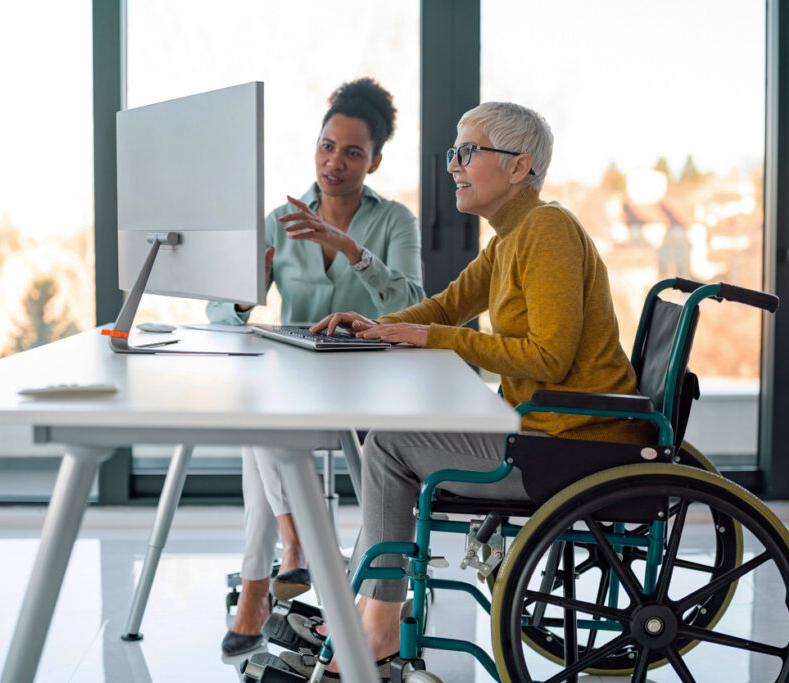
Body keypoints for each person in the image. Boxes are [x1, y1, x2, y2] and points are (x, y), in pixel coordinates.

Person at [296, 101, 655, 676]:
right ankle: (365, 608)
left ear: (519, 167)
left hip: (574, 442)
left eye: (468, 152)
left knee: (388, 445)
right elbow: (447, 307)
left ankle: (379, 626)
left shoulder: (548, 231)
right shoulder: (510, 238)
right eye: (452, 153)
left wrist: (433, 337)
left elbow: (549, 358)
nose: (454, 165)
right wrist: (379, 328)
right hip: (540, 429)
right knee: (388, 436)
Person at [208, 78, 425, 657]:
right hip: (292, 378)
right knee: (264, 413)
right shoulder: (279, 218)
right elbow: (219, 312)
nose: (335, 161)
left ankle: (266, 580)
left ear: (374, 160)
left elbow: (411, 308)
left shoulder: (394, 222)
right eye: (327, 145)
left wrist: (352, 250)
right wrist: (241, 295)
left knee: (260, 427)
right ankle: (294, 554)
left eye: (353, 152)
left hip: (368, 386)